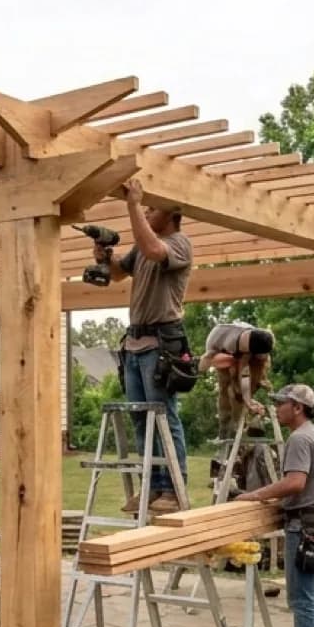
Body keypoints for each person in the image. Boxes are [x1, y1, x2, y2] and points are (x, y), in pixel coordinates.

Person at [233, 383, 314, 627]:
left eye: (282, 403)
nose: (277, 408)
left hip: (304, 525)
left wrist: (255, 496)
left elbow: (295, 483)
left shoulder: (299, 439)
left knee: (303, 599)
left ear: (298, 408)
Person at [100, 178, 192, 512]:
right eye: (146, 207)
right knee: (141, 418)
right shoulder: (141, 246)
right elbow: (116, 275)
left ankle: (174, 488)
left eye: (153, 208)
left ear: (170, 213)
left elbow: (155, 250)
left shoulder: (179, 243)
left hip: (160, 344)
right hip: (135, 343)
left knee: (163, 416)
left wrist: (132, 204)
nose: (148, 211)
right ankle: (151, 487)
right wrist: (104, 255)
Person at [203, 321, 275, 439]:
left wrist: (247, 399)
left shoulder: (255, 341)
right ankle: (226, 429)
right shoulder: (217, 343)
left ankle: (245, 423)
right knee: (227, 392)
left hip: (245, 351)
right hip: (223, 356)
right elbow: (207, 362)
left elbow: (245, 373)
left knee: (240, 395)